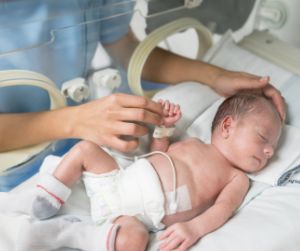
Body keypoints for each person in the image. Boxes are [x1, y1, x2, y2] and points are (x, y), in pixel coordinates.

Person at [0, 0, 285, 191]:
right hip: (18, 154)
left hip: (91, 135)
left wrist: (214, 76)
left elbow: (125, 48)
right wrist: (73, 121)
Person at [19, 93, 282, 251]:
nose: (269, 151)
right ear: (227, 126)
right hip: (116, 181)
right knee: (86, 149)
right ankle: (48, 196)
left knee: (135, 243)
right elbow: (159, 154)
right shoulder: (192, 143)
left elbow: (223, 209)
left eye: (273, 149)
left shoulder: (237, 178)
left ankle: (74, 234)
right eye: (263, 139)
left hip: (136, 218)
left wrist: (195, 228)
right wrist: (163, 130)